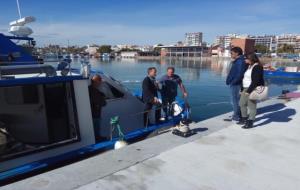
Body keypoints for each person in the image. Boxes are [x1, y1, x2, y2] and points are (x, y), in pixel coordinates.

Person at [238, 53, 264, 129]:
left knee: (252, 106)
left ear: (251, 59)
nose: (244, 60)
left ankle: (250, 122)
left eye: (246, 59)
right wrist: (242, 89)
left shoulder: (257, 67)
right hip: (245, 88)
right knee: (241, 103)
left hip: (252, 88)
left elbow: (255, 81)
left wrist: (248, 91)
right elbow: (245, 78)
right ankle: (244, 118)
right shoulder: (249, 66)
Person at [224, 47, 247, 122]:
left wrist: (233, 82)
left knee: (235, 100)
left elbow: (240, 74)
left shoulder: (240, 61)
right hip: (236, 83)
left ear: (237, 53)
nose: (231, 54)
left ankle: (236, 116)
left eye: (232, 53)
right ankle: (238, 115)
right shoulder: (239, 60)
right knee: (236, 100)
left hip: (236, 84)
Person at [88, 74, 107, 141]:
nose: (100, 83)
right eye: (100, 81)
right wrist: (103, 97)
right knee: (96, 127)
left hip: (91, 113)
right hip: (95, 114)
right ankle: (97, 138)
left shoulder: (88, 89)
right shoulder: (95, 92)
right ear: (97, 82)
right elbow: (103, 103)